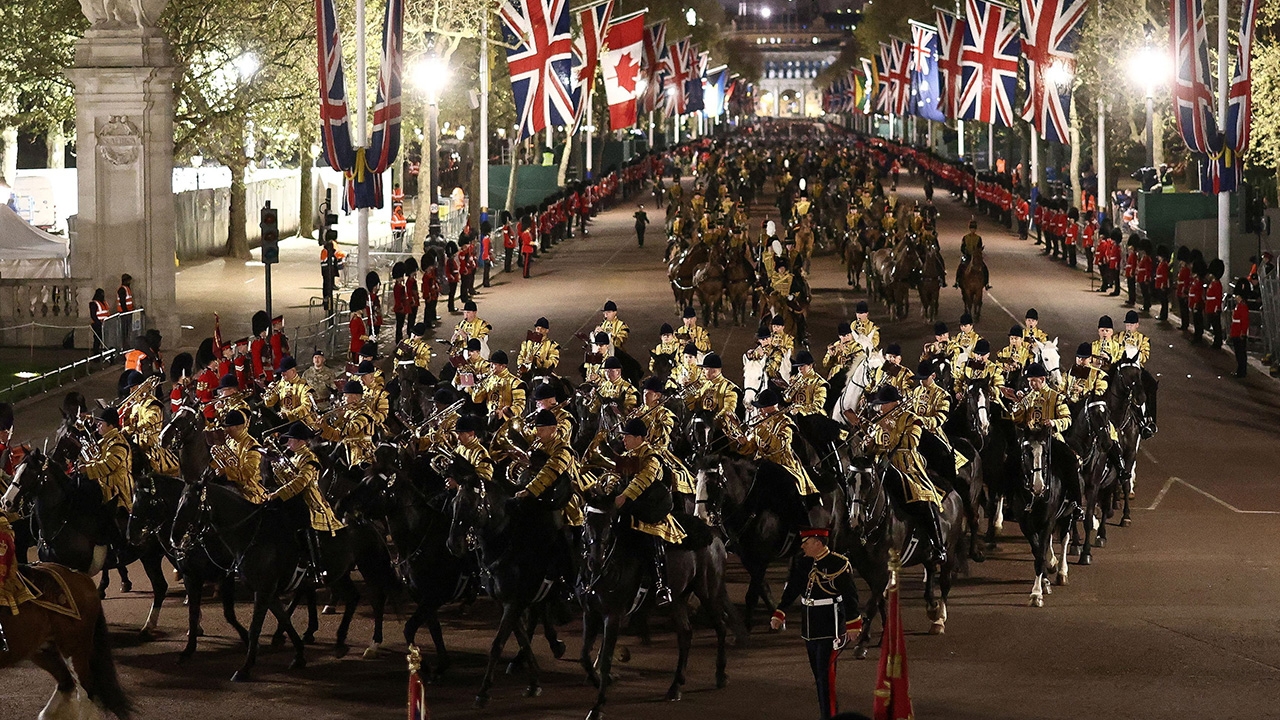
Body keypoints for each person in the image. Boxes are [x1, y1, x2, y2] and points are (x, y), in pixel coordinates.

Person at [770, 527, 863, 720]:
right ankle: (831, 710)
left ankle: (827, 715)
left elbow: (850, 595)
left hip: (830, 626)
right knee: (819, 675)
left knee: (825, 677)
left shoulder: (838, 563)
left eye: (807, 542)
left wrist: (853, 624)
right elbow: (794, 588)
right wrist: (780, 610)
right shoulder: (803, 563)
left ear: (819, 544)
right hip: (810, 626)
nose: (803, 546)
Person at [267, 422, 344, 583]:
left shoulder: (310, 458)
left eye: (291, 439)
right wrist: (276, 468)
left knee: (305, 525)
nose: (288, 443)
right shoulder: (295, 457)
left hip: (310, 501)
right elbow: (288, 480)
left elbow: (301, 482)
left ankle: (316, 567)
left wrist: (279, 494)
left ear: (302, 441)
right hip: (295, 499)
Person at [82, 407, 134, 512]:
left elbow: (107, 466)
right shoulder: (106, 440)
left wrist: (87, 469)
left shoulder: (118, 444)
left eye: (101, 423)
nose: (98, 425)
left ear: (111, 426)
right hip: (107, 487)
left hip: (118, 491)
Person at [318, 380, 377, 469]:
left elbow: (351, 430)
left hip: (363, 454)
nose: (343, 400)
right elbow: (338, 436)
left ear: (354, 398)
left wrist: (340, 417)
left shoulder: (365, 412)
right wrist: (324, 427)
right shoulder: (348, 412)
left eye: (345, 396)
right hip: (347, 453)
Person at [213, 410, 267, 503]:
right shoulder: (230, 441)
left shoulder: (252, 446)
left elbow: (248, 472)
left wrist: (226, 471)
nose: (226, 430)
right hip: (231, 484)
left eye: (230, 427)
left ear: (240, 426)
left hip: (249, 491)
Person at [954, 219, 991, 289]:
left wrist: (977, 253)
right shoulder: (965, 237)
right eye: (971, 229)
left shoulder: (978, 238)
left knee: (984, 268)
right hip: (967, 255)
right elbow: (962, 247)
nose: (973, 230)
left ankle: (986, 283)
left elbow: (979, 247)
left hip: (976, 256)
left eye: (974, 229)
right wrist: (965, 252)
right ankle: (957, 281)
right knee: (961, 266)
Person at [1230, 290, 1250, 378]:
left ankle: (1242, 371)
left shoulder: (1242, 307)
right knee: (1238, 353)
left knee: (1240, 353)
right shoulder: (1239, 306)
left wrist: (1243, 333)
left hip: (1239, 332)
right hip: (1236, 331)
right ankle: (1240, 370)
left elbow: (1244, 321)